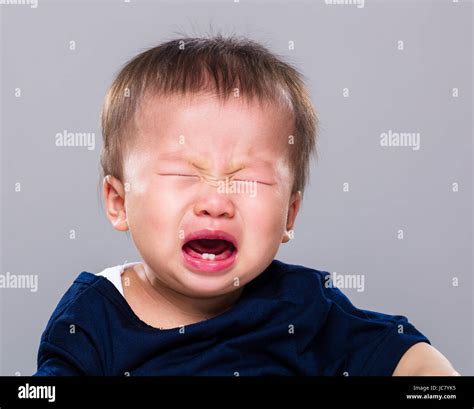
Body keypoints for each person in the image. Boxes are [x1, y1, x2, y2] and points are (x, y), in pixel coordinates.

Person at [34, 35, 459, 376]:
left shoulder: (302, 306)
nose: (216, 202)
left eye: (249, 179)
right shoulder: (93, 321)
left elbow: (408, 355)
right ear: (119, 202)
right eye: (184, 174)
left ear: (290, 215)